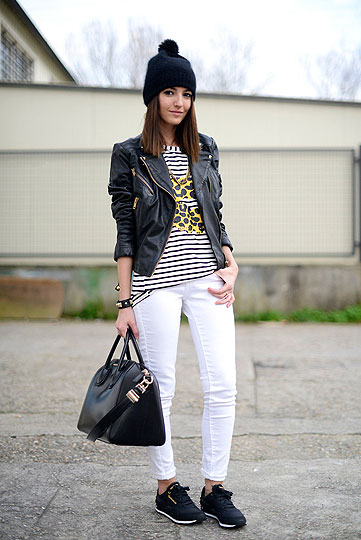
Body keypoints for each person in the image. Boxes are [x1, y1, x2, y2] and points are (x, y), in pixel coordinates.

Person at [108, 39, 246, 529]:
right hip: (155, 283)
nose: (178, 101)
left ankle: (214, 487)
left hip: (207, 278)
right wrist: (125, 301)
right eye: (168, 91)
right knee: (160, 389)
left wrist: (229, 263)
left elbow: (216, 214)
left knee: (223, 385)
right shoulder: (129, 154)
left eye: (186, 92)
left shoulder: (205, 147)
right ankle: (167, 488)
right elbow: (126, 231)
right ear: (153, 98)